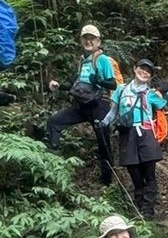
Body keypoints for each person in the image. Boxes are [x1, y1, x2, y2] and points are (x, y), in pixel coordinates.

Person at [45, 24, 116, 186]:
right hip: (82, 105)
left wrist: (98, 80)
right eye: (85, 38)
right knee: (55, 121)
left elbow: (113, 84)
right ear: (81, 40)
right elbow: (74, 85)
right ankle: (53, 163)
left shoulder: (102, 59)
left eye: (92, 39)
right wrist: (59, 86)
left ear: (98, 42)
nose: (88, 41)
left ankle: (107, 182)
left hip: (99, 105)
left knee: (103, 142)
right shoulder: (82, 61)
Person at [99, 59, 167, 218]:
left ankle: (148, 211)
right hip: (127, 134)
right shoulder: (121, 90)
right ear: (135, 69)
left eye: (148, 71)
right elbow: (113, 112)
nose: (144, 72)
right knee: (135, 174)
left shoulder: (150, 94)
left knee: (149, 173)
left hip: (146, 133)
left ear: (150, 77)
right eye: (142, 69)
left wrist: (166, 91)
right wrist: (103, 123)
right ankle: (140, 207)